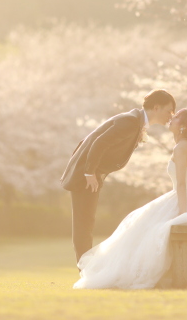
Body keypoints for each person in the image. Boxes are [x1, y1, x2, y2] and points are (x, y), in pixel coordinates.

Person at [73, 107, 187, 289]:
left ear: (182, 127)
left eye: (175, 118)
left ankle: (166, 272)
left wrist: (183, 213)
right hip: (182, 195)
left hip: (184, 197)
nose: (171, 119)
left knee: (148, 228)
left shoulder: (182, 148)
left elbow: (182, 184)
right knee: (140, 225)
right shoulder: (182, 146)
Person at [60, 89, 176, 262]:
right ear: (157, 107)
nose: (171, 116)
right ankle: (85, 269)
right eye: (169, 111)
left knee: (86, 223)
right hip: (85, 176)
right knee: (84, 224)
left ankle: (85, 267)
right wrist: (90, 172)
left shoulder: (136, 121)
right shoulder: (130, 121)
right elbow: (99, 143)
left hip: (91, 174)